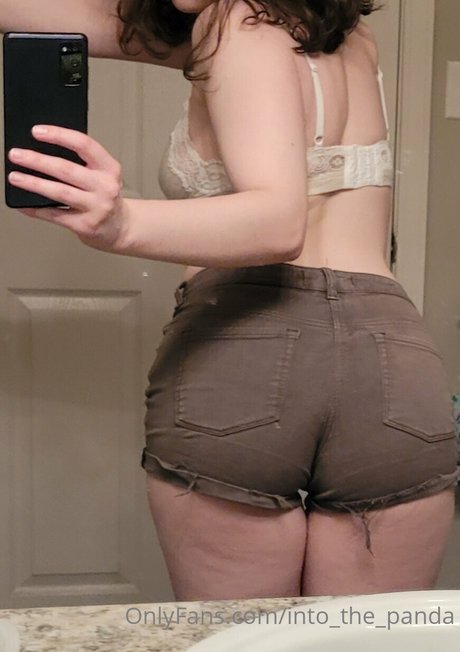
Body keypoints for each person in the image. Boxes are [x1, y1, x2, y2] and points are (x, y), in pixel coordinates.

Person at [3, 0, 459, 601]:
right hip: (391, 364)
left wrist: (121, 222)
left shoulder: (231, 25)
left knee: (242, 639)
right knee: (362, 639)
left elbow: (278, 222)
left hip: (247, 352)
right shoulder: (349, 38)